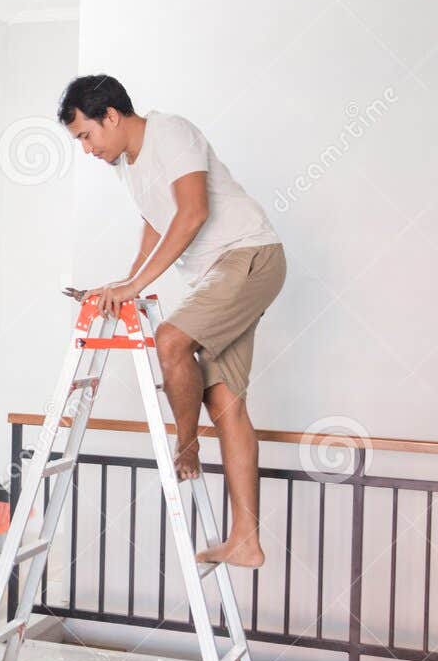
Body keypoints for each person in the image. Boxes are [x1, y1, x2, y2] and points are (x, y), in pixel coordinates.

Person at [57, 74, 285, 568]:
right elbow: (157, 219)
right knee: (225, 403)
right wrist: (127, 281)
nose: (86, 148)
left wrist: (135, 287)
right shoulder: (126, 165)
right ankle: (246, 539)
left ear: (111, 116)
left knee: (172, 340)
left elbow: (193, 211)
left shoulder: (171, 133)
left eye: (86, 135)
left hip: (249, 256)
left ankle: (184, 448)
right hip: (221, 273)